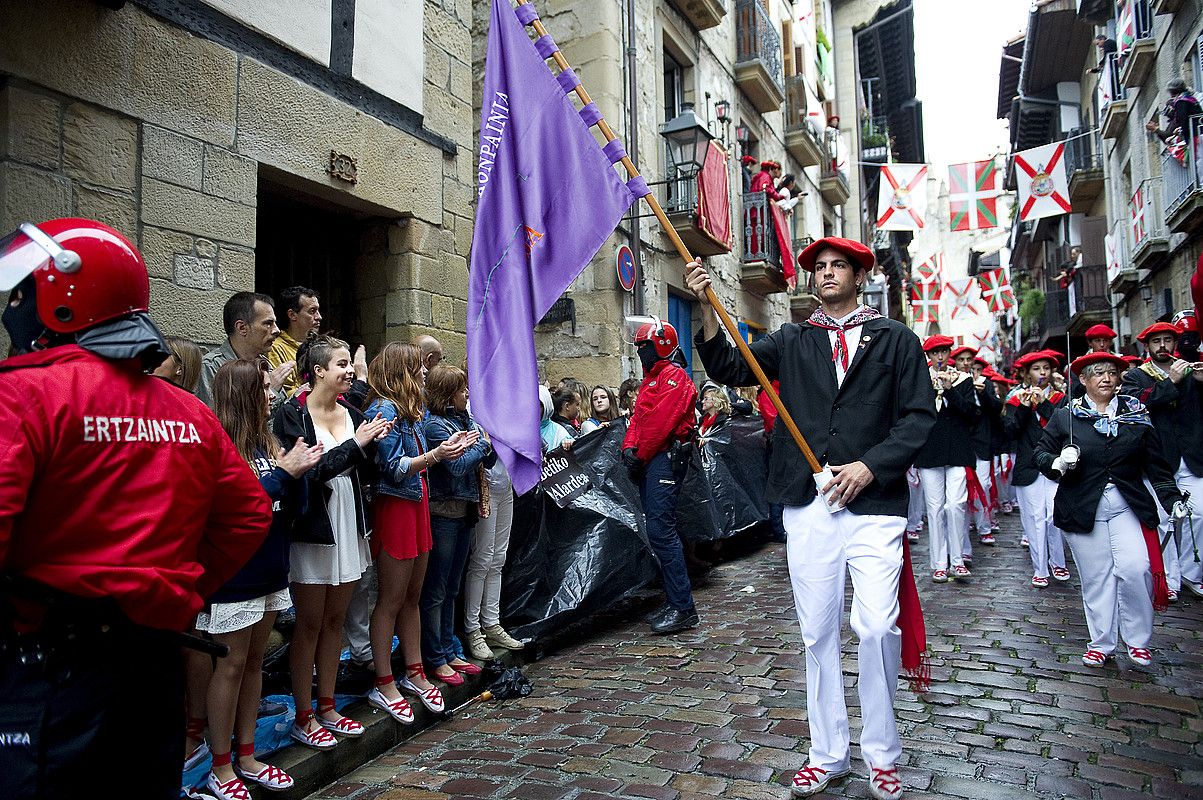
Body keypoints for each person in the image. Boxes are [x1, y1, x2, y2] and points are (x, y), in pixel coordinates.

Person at [0, 217, 272, 799]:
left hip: (49, 671)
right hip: (152, 666)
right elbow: (248, 514)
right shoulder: (188, 411)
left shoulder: (23, 394)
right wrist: (175, 587)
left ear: (61, 301)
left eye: (22, 292)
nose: (14, 306)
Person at [688, 237, 936, 800]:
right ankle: (827, 753)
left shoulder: (897, 340)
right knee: (817, 631)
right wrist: (705, 305)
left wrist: (870, 468)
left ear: (858, 274)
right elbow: (730, 366)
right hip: (809, 502)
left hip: (873, 506)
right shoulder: (793, 339)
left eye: (837, 266)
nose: (826, 273)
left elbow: (919, 417)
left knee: (875, 627)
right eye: (819, 267)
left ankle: (883, 753)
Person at [202, 359, 323, 799]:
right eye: (264, 389)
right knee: (230, 665)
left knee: (253, 663)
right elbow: (235, 509)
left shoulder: (266, 442)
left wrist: (299, 471)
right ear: (242, 396)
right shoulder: (217, 445)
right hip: (236, 574)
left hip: (271, 568)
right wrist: (282, 474)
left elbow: (294, 509)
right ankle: (220, 766)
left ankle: (248, 755)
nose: (272, 395)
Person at [273, 335, 392, 749]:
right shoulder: (292, 414)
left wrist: (375, 445)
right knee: (308, 624)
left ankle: (327, 706)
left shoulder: (353, 411)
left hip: (349, 523)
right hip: (313, 530)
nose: (349, 372)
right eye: (341, 365)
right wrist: (357, 446)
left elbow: (369, 471)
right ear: (318, 371)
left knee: (335, 622)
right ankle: (303, 715)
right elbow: (305, 473)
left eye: (348, 364)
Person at [1035, 352, 1186, 668]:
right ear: (1083, 380)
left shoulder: (1136, 415)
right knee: (1096, 577)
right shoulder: (1067, 418)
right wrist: (1058, 463)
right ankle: (1102, 642)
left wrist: (1172, 499)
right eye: (1097, 373)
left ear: (1119, 379)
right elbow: (1040, 452)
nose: (1105, 378)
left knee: (1135, 568)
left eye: (1111, 372)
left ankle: (1138, 640)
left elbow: (1156, 466)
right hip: (1082, 508)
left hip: (1126, 506)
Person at [363, 343, 472, 722]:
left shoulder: (411, 411)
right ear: (401, 370)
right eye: (417, 367)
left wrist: (443, 451)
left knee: (412, 596)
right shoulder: (385, 409)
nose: (425, 372)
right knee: (391, 600)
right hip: (396, 507)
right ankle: (384, 681)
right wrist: (437, 455)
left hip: (416, 504)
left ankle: (414, 672)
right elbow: (393, 467)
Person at [622, 319, 700, 635]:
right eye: (639, 348)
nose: (641, 353)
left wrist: (637, 455)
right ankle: (676, 601)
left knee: (661, 532)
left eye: (645, 347)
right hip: (652, 460)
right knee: (659, 532)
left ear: (660, 347)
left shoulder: (675, 378)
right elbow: (639, 420)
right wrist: (629, 448)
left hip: (664, 459)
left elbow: (660, 424)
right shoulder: (651, 380)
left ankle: (683, 607)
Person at [1121, 321, 1203, 599]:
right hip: (1156, 460)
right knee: (1165, 519)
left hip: (1191, 457)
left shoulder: (1189, 369)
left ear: (1175, 344)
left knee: (1199, 514)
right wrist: (1172, 383)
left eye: (1168, 340)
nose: (1163, 346)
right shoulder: (1135, 377)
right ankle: (1169, 579)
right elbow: (1139, 404)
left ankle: (1193, 573)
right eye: (1157, 342)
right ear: (1147, 347)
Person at [423, 364, 493, 684]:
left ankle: (451, 649)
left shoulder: (464, 421)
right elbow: (457, 466)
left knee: (453, 587)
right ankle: (435, 656)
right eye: (462, 389)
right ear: (448, 393)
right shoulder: (435, 425)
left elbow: (484, 458)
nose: (467, 394)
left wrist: (479, 443)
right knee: (436, 589)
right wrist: (479, 444)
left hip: (463, 510)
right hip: (443, 514)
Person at [1003, 352, 1070, 587]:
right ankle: (1040, 567)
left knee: (1053, 516)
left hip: (1054, 465)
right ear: (1026, 373)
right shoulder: (1015, 398)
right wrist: (1023, 407)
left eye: (1046, 368)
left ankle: (1058, 561)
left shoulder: (1060, 399)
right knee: (1035, 519)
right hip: (1028, 466)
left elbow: (1063, 427)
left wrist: (1043, 404)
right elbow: (1010, 431)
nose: (1042, 373)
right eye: (1036, 369)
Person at [914, 337, 977, 582]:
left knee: (956, 505)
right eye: (935, 353)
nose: (940, 357)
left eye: (943, 352)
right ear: (928, 356)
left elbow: (972, 413)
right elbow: (916, 415)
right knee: (935, 509)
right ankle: (939, 563)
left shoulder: (963, 379)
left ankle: (958, 560)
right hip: (930, 451)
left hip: (958, 451)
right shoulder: (920, 380)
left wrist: (950, 390)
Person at [198, 292, 290, 407]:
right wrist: (269, 391)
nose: (276, 330)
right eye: (268, 323)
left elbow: (280, 418)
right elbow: (214, 419)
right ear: (242, 328)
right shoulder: (211, 367)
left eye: (274, 323)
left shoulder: (265, 365)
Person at [961, 349, 1001, 546]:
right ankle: (967, 526)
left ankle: (984, 526)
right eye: (964, 361)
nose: (969, 365)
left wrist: (983, 393)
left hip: (983, 442)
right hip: (963, 442)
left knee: (983, 485)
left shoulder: (987, 384)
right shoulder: (955, 381)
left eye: (973, 363)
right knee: (964, 489)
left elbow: (996, 409)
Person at [267, 286, 322, 396]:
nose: (319, 317)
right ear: (292, 315)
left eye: (318, 311)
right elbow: (283, 394)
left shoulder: (321, 346)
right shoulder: (276, 348)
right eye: (312, 311)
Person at [1146, 78, 1202, 160]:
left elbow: (1184, 121)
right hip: (1198, 131)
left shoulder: (1181, 101)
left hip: (1195, 133)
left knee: (1196, 159)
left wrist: (1187, 141)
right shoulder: (1188, 97)